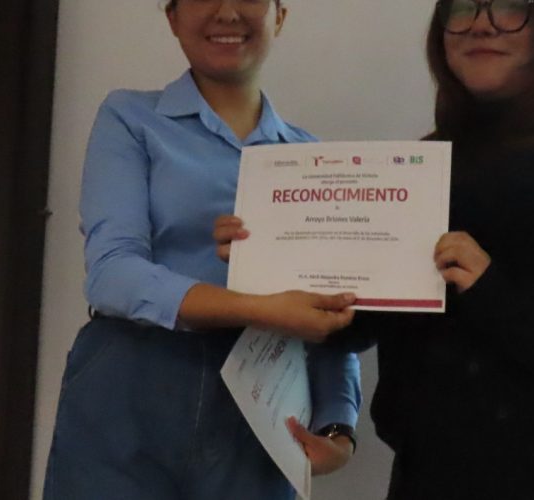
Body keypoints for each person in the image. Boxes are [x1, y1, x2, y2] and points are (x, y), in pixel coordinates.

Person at [215, 0, 534, 498]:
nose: (480, 25)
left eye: (509, 7)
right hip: (434, 478)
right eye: (463, 8)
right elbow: (369, 321)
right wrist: (272, 263)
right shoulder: (419, 169)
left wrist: (498, 292)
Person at [43, 1, 362, 498]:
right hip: (130, 387)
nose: (227, 12)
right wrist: (260, 308)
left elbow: (335, 306)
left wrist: (339, 426)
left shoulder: (315, 162)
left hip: (261, 398)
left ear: (280, 15)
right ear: (172, 17)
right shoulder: (129, 117)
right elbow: (111, 273)